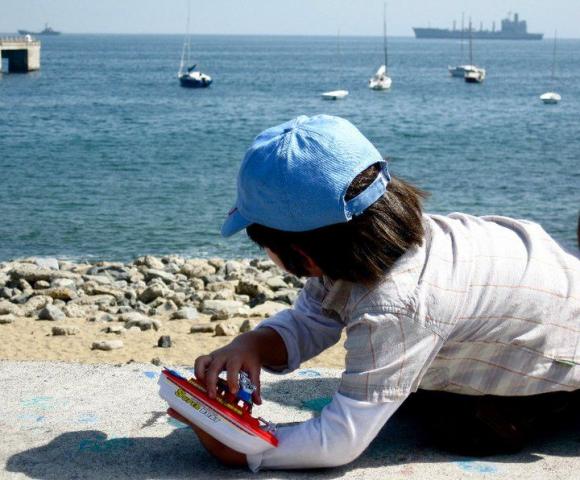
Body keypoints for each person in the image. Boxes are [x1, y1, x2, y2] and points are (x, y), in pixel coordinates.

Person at [184, 114, 580, 471]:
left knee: (459, 426)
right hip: (543, 288)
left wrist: (247, 451)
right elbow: (310, 320)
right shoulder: (369, 245)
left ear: (302, 254)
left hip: (557, 359)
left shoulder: (397, 305)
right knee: (405, 390)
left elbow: (338, 442)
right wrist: (252, 344)